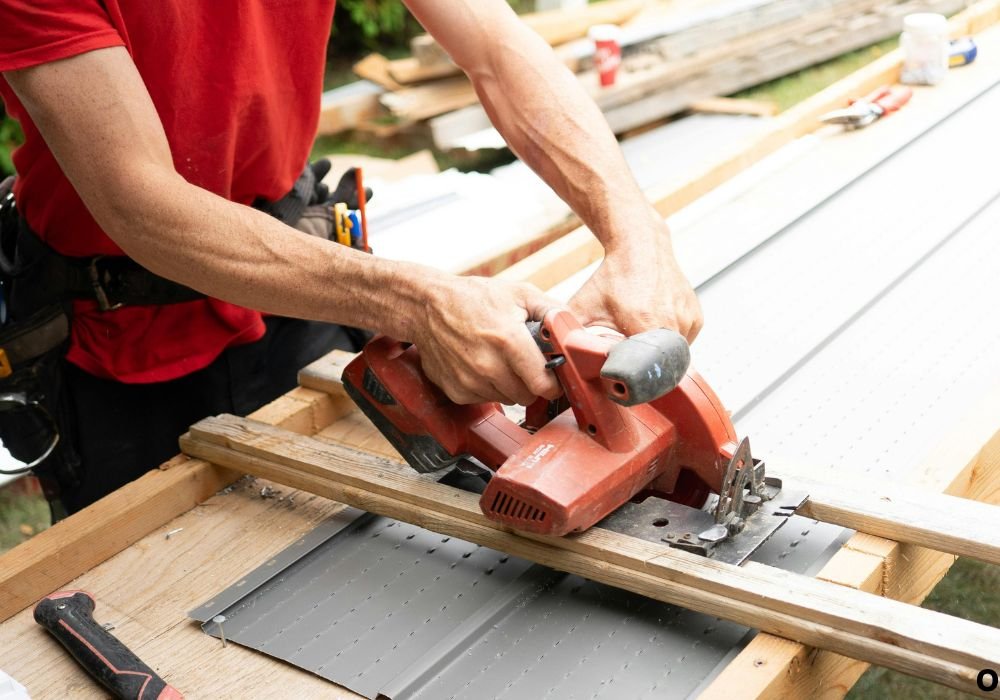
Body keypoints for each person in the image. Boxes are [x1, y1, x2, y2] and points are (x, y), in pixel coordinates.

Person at [0, 0, 702, 517]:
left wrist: (636, 232)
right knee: (157, 590)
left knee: (361, 531)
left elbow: (494, 46)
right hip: (119, 340)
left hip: (297, 277)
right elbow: (140, 202)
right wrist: (421, 302)